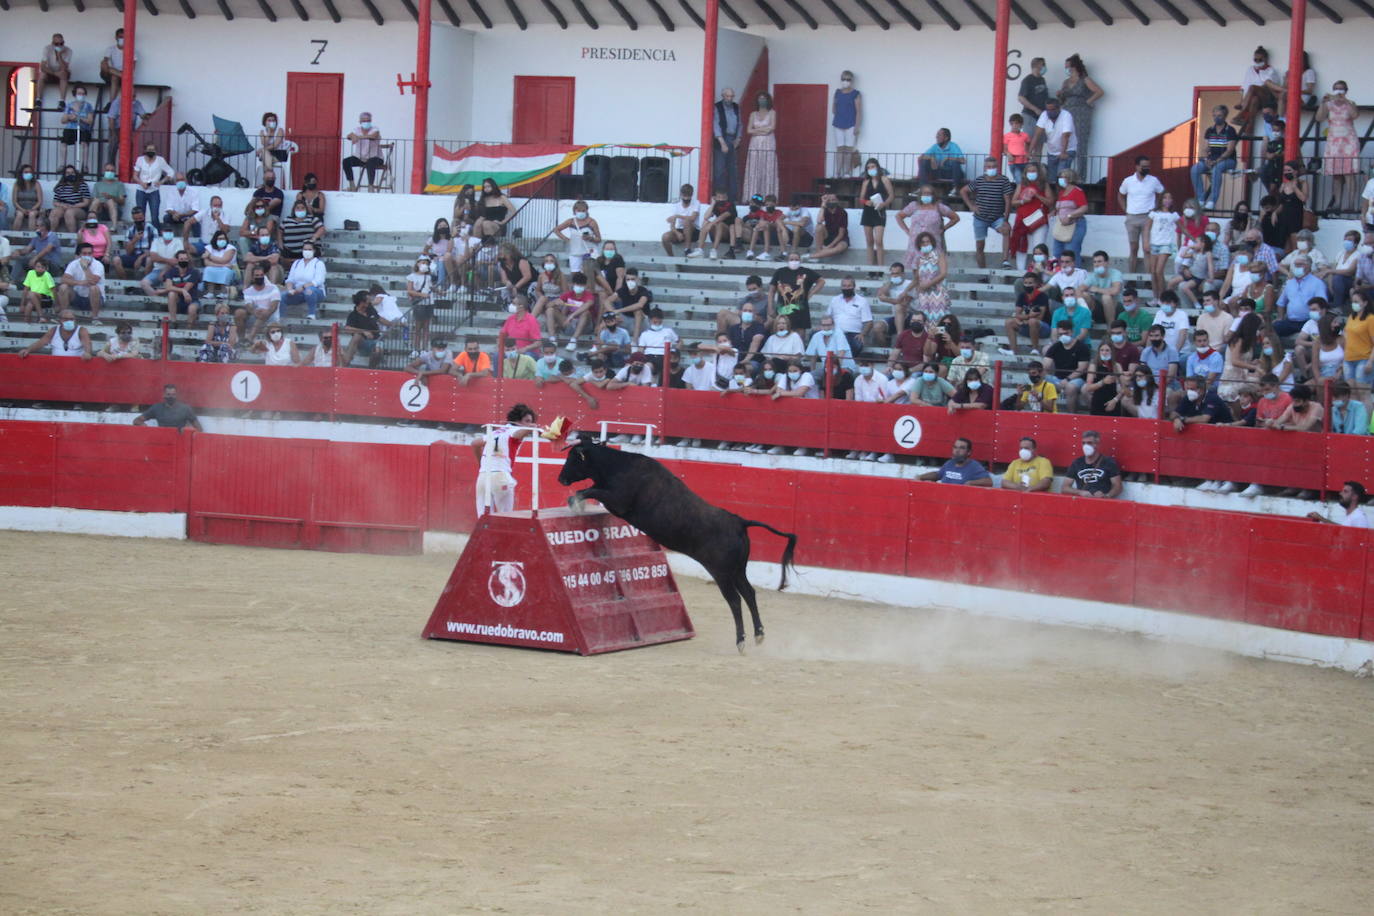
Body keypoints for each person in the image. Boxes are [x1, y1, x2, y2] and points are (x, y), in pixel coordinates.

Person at [472, 404, 539, 516]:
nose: (529, 424)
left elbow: (475, 443)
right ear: (518, 421)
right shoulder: (514, 431)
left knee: (483, 518)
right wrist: (532, 426)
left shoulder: (495, 432)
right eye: (527, 421)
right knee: (506, 517)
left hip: (483, 477)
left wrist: (480, 464)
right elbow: (518, 434)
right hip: (500, 477)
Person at [960, 158, 1014, 269]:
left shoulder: (1003, 180)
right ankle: (982, 272)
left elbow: (1008, 200)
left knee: (1006, 231)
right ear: (985, 168)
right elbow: (963, 191)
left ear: (997, 167)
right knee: (980, 246)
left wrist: (1006, 220)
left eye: (993, 166)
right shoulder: (979, 180)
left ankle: (1005, 261)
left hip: (997, 217)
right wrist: (971, 206)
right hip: (980, 218)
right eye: (989, 167)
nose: (991, 169)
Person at [1317, 80, 1360, 216]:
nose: (1338, 91)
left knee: (1349, 173)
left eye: (1341, 89)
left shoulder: (1350, 104)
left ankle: (1351, 204)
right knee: (1336, 175)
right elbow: (1319, 118)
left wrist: (1345, 100)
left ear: (1346, 91)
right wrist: (1323, 103)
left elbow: (1355, 115)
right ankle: (1337, 203)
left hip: (1349, 142)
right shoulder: (1328, 105)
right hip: (1333, 142)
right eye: (1336, 89)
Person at [1058, 55, 1103, 177]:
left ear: (1074, 67)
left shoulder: (1085, 80)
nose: (1066, 69)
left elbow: (1099, 91)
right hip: (1067, 112)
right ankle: (1063, 173)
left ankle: (1081, 175)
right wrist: (1060, 95)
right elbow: (1062, 99)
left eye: (1067, 67)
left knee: (1081, 142)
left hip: (1081, 113)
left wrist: (1088, 101)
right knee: (1065, 140)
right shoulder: (1066, 82)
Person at [1117, 156, 1164, 274]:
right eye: (1143, 166)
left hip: (1148, 217)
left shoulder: (1154, 180)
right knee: (1133, 249)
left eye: (1148, 166)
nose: (1146, 168)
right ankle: (1131, 277)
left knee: (1147, 249)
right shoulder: (1128, 181)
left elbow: (1162, 193)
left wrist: (1156, 207)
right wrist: (1125, 209)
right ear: (1137, 166)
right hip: (1132, 217)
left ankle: (1149, 278)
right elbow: (1120, 194)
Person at [1190, 106, 1239, 210]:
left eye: (1219, 115)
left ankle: (1212, 200)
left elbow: (1229, 150)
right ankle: (1201, 198)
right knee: (1195, 169)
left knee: (1217, 169)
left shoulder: (1230, 130)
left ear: (1225, 116)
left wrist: (1216, 161)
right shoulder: (1210, 130)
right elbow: (1206, 148)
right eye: (1215, 115)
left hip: (1228, 160)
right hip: (1212, 160)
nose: (1217, 118)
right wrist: (1206, 159)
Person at [1009, 164, 1052, 269]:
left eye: (1034, 171)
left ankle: (1039, 272)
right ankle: (1020, 272)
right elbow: (1013, 202)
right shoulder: (1021, 184)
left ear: (1039, 173)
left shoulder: (1044, 185)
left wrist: (1037, 195)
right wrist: (1023, 200)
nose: (1031, 173)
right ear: (1025, 173)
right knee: (1021, 246)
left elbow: (1050, 202)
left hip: (1039, 221)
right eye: (1029, 171)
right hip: (1023, 221)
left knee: (1039, 248)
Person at [1273, 256, 1326, 336]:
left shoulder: (1317, 283)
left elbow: (1323, 304)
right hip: (1291, 321)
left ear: (1309, 266)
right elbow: (1281, 303)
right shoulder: (1290, 283)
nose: (1297, 267)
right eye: (1296, 265)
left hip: (1309, 321)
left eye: (1300, 264)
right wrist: (1280, 317)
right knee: (1274, 329)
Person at [769, 254, 823, 332]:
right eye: (791, 259)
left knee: (800, 333)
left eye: (796, 259)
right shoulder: (780, 272)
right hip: (783, 308)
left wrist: (811, 293)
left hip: (801, 310)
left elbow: (821, 281)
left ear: (800, 260)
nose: (794, 261)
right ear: (787, 260)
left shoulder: (806, 271)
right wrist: (770, 308)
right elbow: (771, 291)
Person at [742, 91, 778, 201]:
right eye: (760, 98)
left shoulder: (772, 113)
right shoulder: (753, 114)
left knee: (767, 168)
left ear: (768, 100)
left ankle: (768, 197)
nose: (762, 101)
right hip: (755, 143)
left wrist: (756, 130)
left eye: (764, 98)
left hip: (768, 143)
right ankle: (752, 197)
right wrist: (763, 130)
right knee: (754, 168)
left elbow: (771, 128)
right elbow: (748, 130)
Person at [56, 242, 105, 323]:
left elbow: (92, 282)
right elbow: (63, 279)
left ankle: (95, 318)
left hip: (95, 298)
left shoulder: (98, 265)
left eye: (89, 253)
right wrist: (79, 283)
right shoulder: (73, 264)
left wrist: (85, 267)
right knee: (63, 287)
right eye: (84, 253)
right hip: (78, 297)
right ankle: (63, 316)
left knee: (94, 288)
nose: (87, 256)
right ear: (79, 255)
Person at [1233, 46, 1281, 128]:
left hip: (1267, 98)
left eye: (1260, 60)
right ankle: (1248, 129)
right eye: (1255, 60)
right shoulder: (1250, 70)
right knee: (1254, 100)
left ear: (1265, 59)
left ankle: (1239, 115)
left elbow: (1271, 87)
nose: (1258, 62)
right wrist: (1241, 101)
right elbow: (1245, 86)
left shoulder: (1271, 70)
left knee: (1253, 88)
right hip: (1254, 98)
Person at [1065, 430, 1122, 498]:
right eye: (1083, 443)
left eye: (1089, 443)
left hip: (1102, 502)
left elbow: (1117, 486)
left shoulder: (1108, 462)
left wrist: (1106, 496)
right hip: (1082, 502)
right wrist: (1080, 492)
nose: (1086, 446)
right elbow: (1065, 488)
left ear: (1097, 444)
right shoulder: (1076, 463)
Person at [1032, 97, 1076, 184]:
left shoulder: (1066, 115)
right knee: (1051, 179)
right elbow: (1037, 134)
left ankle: (1062, 196)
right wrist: (1029, 151)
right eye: (1048, 109)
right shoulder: (1044, 115)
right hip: (1051, 151)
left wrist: (1063, 152)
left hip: (1067, 150)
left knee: (1062, 177)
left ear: (1058, 108)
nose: (1049, 112)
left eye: (1052, 109)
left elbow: (1066, 135)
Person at [17, 309, 91, 360]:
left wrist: (87, 353)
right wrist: (28, 350)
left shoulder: (82, 330)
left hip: (76, 364)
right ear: (60, 320)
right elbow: (41, 342)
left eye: (71, 319)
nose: (69, 321)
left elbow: (87, 344)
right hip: (56, 363)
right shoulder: (53, 330)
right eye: (65, 319)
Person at [826, 276, 872, 356]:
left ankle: (847, 366)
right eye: (844, 286)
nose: (846, 288)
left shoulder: (862, 301)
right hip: (834, 332)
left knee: (856, 345)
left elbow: (869, 322)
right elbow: (827, 317)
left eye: (849, 286)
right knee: (816, 335)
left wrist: (863, 334)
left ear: (854, 287)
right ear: (841, 287)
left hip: (853, 333)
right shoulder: (835, 300)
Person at [132, 144, 174, 231]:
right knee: (140, 215)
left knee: (154, 216)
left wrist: (161, 182)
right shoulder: (140, 160)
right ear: (145, 150)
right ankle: (140, 233)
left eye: (153, 149)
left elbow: (171, 172)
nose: (151, 151)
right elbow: (135, 175)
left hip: (154, 190)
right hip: (141, 190)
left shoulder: (160, 160)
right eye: (149, 149)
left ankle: (156, 235)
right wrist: (141, 183)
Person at [919, 438, 992, 486]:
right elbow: (938, 475)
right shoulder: (949, 463)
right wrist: (920, 477)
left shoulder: (974, 466)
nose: (957, 451)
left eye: (961, 448)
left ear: (969, 452)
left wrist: (970, 483)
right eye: (955, 447)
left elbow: (989, 482)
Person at [553, 200, 601, 273]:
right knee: (575, 273)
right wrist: (566, 239)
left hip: (589, 251)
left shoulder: (592, 222)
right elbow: (556, 230)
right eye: (578, 210)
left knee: (590, 273)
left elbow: (599, 239)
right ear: (574, 211)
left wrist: (590, 238)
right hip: (575, 252)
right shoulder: (571, 221)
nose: (581, 212)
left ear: (586, 210)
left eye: (583, 210)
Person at [1051, 169, 1088, 260]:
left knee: (1071, 252)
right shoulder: (1061, 192)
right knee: (1057, 252)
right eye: (1060, 177)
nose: (1061, 179)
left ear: (1070, 178)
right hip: (1061, 226)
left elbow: (1084, 207)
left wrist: (1070, 215)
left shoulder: (1077, 191)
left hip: (1075, 224)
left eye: (1063, 177)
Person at [283, 243, 326, 320]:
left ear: (314, 251)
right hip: (298, 292)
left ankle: (311, 314)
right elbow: (290, 279)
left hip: (315, 291)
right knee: (282, 296)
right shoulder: (297, 263)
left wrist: (303, 287)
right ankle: (281, 317)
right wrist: (290, 289)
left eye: (309, 249)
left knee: (309, 291)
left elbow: (318, 281)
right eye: (305, 249)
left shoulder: (318, 263)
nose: (307, 251)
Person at [712, 88, 742, 200]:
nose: (730, 99)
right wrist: (722, 142)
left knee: (733, 170)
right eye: (727, 96)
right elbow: (716, 125)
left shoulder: (736, 107)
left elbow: (740, 124)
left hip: (732, 139)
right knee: (719, 171)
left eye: (731, 96)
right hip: (721, 140)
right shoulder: (717, 107)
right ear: (723, 96)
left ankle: (733, 197)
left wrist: (738, 138)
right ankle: (719, 197)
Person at [831, 71, 862, 177]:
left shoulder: (856, 93)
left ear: (851, 81)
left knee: (849, 148)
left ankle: (847, 172)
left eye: (848, 79)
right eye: (844, 79)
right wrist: (838, 114)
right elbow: (833, 108)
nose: (846, 81)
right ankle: (838, 172)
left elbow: (858, 111)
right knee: (840, 148)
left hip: (851, 123)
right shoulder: (837, 92)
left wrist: (857, 126)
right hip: (838, 123)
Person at [341, 290, 383, 367]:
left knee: (378, 349)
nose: (370, 301)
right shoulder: (353, 315)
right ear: (362, 302)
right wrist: (363, 331)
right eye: (368, 300)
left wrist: (395, 323)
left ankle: (370, 371)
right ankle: (345, 364)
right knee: (357, 336)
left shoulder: (371, 309)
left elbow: (380, 319)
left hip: (377, 340)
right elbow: (347, 328)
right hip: (364, 343)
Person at [343, 113, 384, 192]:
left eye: (368, 120)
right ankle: (352, 185)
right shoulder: (357, 129)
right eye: (364, 120)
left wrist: (358, 137)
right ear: (360, 121)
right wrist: (352, 136)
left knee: (370, 162)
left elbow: (373, 136)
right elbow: (349, 136)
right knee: (346, 161)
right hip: (360, 158)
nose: (366, 122)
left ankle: (370, 187)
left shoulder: (375, 129)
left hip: (376, 157)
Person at [134, 385, 202, 432]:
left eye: (173, 394)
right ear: (164, 395)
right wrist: (145, 427)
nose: (171, 397)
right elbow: (137, 420)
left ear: (176, 395)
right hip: (162, 441)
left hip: (180, 441)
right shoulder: (157, 407)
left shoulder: (185, 408)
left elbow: (199, 429)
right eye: (168, 394)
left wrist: (188, 429)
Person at [1083, 250, 1124, 325]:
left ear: (1107, 263)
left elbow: (1116, 290)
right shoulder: (1092, 276)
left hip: (1116, 308)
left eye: (1099, 261)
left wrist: (1097, 289)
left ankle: (1110, 328)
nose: (1096, 264)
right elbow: (1079, 290)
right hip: (1099, 310)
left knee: (1106, 297)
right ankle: (1086, 322)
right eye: (1094, 262)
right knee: (1085, 295)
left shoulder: (1115, 273)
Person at [49, 165, 93, 234]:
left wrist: (73, 206)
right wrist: (63, 205)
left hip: (79, 209)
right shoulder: (60, 186)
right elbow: (55, 202)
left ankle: (73, 238)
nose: (70, 174)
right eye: (68, 173)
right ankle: (51, 235)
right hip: (64, 206)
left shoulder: (83, 185)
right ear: (64, 175)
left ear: (76, 174)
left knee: (69, 212)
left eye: (72, 172)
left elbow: (86, 202)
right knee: (55, 212)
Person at [701, 187, 741, 259]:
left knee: (719, 223)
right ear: (716, 197)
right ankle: (699, 249)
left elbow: (723, 216)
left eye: (723, 198)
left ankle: (714, 250)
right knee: (706, 222)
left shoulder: (731, 205)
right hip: (717, 233)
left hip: (728, 233)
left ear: (727, 197)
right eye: (719, 197)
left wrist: (711, 224)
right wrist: (713, 203)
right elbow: (706, 216)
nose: (721, 199)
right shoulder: (716, 205)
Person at [811, 191, 850, 261]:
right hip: (828, 236)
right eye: (829, 200)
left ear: (837, 201)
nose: (831, 202)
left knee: (839, 248)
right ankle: (819, 253)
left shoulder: (842, 212)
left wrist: (829, 247)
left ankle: (813, 256)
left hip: (840, 239)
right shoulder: (825, 210)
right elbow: (819, 221)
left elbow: (841, 235)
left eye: (833, 200)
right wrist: (823, 204)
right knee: (818, 227)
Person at [745, 195, 786, 262]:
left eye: (770, 205)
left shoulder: (778, 212)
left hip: (776, 234)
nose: (768, 206)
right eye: (767, 205)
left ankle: (766, 252)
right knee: (759, 226)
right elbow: (761, 222)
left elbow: (779, 222)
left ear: (775, 204)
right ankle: (750, 251)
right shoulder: (764, 214)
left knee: (765, 225)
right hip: (765, 233)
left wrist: (768, 223)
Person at [662, 184, 700, 256]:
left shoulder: (696, 203)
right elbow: (672, 226)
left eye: (688, 196)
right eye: (684, 196)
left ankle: (687, 249)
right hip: (681, 230)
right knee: (665, 237)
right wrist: (677, 233)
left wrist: (677, 216)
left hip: (693, 231)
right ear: (681, 195)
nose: (686, 199)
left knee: (687, 222)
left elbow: (692, 218)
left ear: (692, 195)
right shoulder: (677, 206)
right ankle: (671, 257)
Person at [59, 87, 95, 160]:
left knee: (84, 143)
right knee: (64, 143)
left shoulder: (88, 106)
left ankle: (84, 166)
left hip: (83, 128)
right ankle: (62, 165)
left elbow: (90, 121)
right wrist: (69, 117)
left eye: (83, 94)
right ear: (75, 95)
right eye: (79, 93)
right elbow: (63, 120)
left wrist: (79, 118)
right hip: (70, 128)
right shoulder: (70, 105)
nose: (81, 95)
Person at [100, 28, 135, 101]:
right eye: (120, 37)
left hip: (122, 74)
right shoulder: (110, 49)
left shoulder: (131, 50)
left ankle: (111, 103)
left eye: (124, 37)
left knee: (114, 77)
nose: (122, 39)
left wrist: (124, 74)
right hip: (108, 74)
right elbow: (105, 63)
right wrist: (105, 64)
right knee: (103, 64)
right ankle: (125, 77)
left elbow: (133, 66)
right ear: (116, 38)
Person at [10, 165, 44, 232]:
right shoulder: (17, 184)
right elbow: (14, 201)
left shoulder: (36, 184)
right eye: (26, 172)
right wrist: (22, 210)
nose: (28, 173)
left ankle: (32, 239)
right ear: (21, 173)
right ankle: (14, 239)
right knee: (19, 215)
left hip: (34, 208)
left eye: (30, 172)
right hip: (20, 208)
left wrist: (32, 209)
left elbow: (40, 201)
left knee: (32, 215)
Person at [256, 112, 289, 180]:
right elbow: (264, 143)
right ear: (265, 122)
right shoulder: (262, 131)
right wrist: (268, 133)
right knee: (266, 156)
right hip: (268, 154)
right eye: (269, 120)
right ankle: (271, 176)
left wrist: (262, 149)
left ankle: (267, 181)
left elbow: (275, 145)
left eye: (273, 120)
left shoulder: (280, 130)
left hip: (279, 153)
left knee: (264, 154)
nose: (272, 122)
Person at [41, 33, 73, 101]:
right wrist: (54, 73)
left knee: (63, 74)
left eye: (61, 43)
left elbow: (64, 68)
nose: (59, 45)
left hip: (61, 73)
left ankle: (62, 101)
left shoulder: (68, 51)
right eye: (56, 44)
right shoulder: (47, 49)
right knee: (42, 75)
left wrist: (59, 55)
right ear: (52, 43)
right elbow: (42, 67)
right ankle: (38, 100)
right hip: (51, 72)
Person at [1003, 113, 1031, 184]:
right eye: (1012, 124)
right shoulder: (1007, 136)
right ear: (1010, 124)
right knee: (1019, 180)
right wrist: (1008, 154)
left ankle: (1021, 192)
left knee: (1026, 180)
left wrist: (1027, 152)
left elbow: (1028, 143)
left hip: (1024, 161)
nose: (1014, 126)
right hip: (1013, 162)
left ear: (1021, 125)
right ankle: (1020, 193)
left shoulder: (1025, 135)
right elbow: (1005, 149)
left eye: (1017, 123)